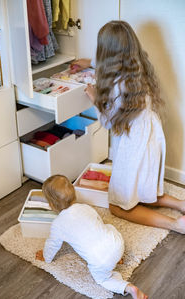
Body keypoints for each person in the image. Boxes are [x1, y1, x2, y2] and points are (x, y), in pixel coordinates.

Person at [70, 20, 185, 234]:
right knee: (144, 190)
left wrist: (95, 98)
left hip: (135, 145)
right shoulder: (138, 65)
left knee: (118, 205)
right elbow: (111, 63)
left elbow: (108, 122)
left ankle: (175, 224)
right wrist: (88, 62)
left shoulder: (117, 86)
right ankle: (181, 205)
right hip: (151, 136)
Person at [36, 174, 148, 299]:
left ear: (51, 204)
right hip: (117, 244)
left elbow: (52, 244)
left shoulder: (57, 224)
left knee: (103, 279)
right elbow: (99, 223)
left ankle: (128, 288)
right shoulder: (86, 207)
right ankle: (117, 258)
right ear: (74, 193)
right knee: (107, 227)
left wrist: (46, 256)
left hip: (100, 262)